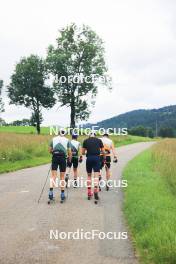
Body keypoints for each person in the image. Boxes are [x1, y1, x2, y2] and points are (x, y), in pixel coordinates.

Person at [48, 129, 72, 202]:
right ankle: (62, 195)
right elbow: (69, 152)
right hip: (62, 159)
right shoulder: (67, 140)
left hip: (55, 158)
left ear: (58, 133)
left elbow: (49, 150)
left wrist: (54, 153)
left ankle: (51, 192)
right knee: (62, 177)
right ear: (64, 133)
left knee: (53, 176)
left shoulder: (53, 139)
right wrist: (69, 160)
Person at [82, 132, 104, 203]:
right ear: (95, 136)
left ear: (89, 136)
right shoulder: (99, 140)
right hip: (97, 158)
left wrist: (87, 153)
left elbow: (82, 152)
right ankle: (95, 190)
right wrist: (104, 157)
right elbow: (103, 151)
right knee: (96, 176)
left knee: (89, 176)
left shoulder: (85, 141)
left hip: (89, 158)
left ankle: (89, 192)